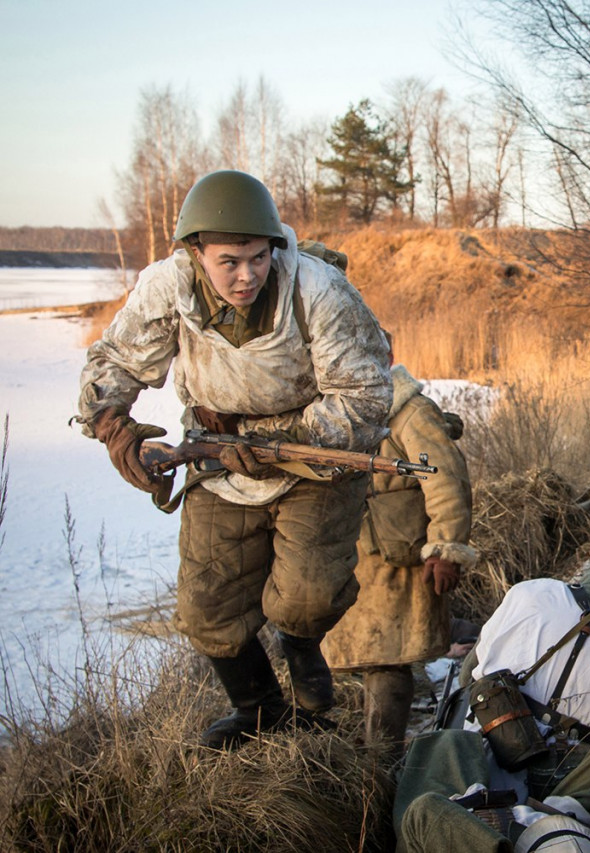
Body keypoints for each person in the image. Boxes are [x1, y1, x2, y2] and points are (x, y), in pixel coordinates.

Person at [76, 170, 393, 749]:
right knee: (206, 613)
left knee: (306, 598)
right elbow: (111, 365)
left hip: (314, 461)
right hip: (216, 461)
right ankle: (259, 710)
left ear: (272, 247)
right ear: (196, 253)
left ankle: (300, 648)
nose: (246, 275)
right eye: (229, 262)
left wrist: (273, 441)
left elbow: (367, 397)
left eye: (257, 257)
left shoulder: (317, 290)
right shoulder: (165, 287)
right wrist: (118, 431)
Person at [394, 550, 590, 853]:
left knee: (439, 764)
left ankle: (455, 826)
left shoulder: (530, 591)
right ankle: (549, 826)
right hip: (561, 770)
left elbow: (468, 675)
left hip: (480, 741)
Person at [322, 362, 478, 749]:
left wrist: (445, 548)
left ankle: (381, 757)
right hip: (350, 557)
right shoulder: (330, 411)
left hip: (400, 561)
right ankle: (362, 750)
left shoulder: (410, 411)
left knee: (388, 661)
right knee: (369, 658)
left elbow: (445, 480)